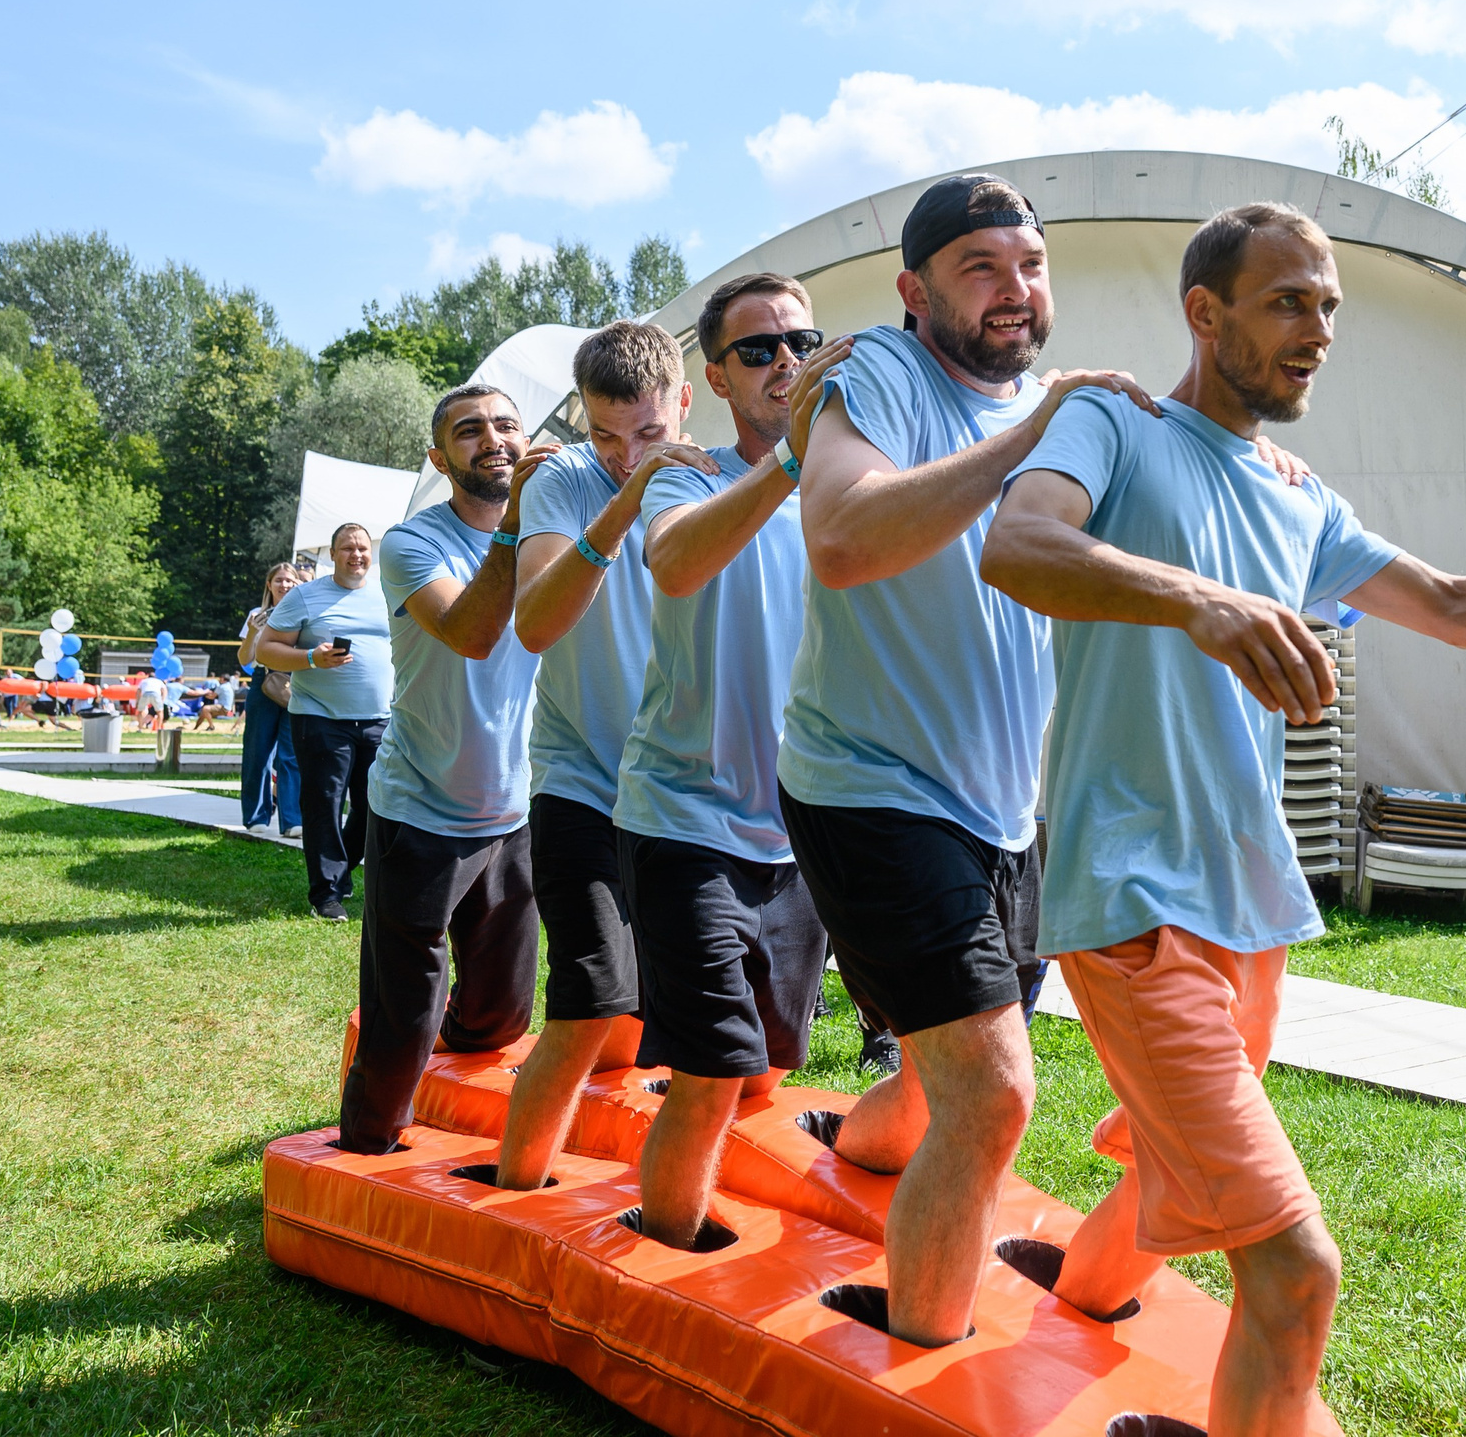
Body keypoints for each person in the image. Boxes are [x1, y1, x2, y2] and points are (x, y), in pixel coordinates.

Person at [981, 202, 1466, 1435]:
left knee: (1180, 1175)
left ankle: (1070, 1290)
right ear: (1205, 312)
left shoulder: (1296, 496)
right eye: (1289, 301)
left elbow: (1452, 602)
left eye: (1329, 305)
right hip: (1135, 900)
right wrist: (1200, 603)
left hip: (1251, 908)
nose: (1318, 329)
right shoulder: (1112, 421)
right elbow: (1018, 547)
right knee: (1294, 1268)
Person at [778, 173, 1163, 1347]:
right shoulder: (879, 376)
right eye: (980, 268)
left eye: (1029, 266)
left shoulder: (1062, 406)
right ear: (915, 289)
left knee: (942, 1065)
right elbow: (843, 539)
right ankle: (917, 1359)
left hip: (1006, 807)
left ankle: (847, 1142)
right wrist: (1029, 436)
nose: (1014, 290)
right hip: (869, 787)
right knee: (993, 1094)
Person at [611, 276, 852, 1248]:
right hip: (679, 817)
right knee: (712, 1065)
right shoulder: (685, 477)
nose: (786, 360)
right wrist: (792, 459)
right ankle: (661, 1258)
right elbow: (672, 562)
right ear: (714, 376)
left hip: (795, 829)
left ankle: (722, 1202)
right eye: (758, 349)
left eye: (802, 340)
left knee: (764, 1066)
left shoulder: (838, 484)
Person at [494, 321, 712, 1190]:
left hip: (681, 793)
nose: (627, 455)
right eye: (605, 435)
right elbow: (537, 622)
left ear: (685, 403)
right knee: (588, 1005)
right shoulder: (563, 483)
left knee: (705, 1027)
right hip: (579, 782)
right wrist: (625, 501)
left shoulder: (720, 480)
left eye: (650, 435)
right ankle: (513, 1195)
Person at [338, 383, 555, 1156]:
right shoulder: (409, 544)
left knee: (502, 1014)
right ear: (441, 457)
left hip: (513, 810)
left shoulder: (552, 536)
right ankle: (368, 1143)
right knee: (404, 1014)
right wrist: (521, 528)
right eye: (470, 432)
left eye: (505, 425)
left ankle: (458, 1106)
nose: (492, 440)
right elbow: (471, 630)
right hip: (419, 811)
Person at [255, 523, 393, 920]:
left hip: (379, 719)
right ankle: (326, 894)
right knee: (324, 806)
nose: (356, 555)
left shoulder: (386, 593)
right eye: (347, 548)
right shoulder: (305, 596)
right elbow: (267, 651)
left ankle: (342, 869)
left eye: (363, 548)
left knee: (374, 806)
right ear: (331, 554)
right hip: (320, 717)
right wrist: (312, 658)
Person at [237, 564, 305, 837]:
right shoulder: (257, 615)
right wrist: (253, 632)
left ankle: (292, 820)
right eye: (279, 580)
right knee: (257, 751)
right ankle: (256, 816)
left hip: (295, 684)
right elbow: (244, 660)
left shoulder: (304, 613)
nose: (285, 585)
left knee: (291, 754)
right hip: (263, 684)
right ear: (269, 584)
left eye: (290, 580)